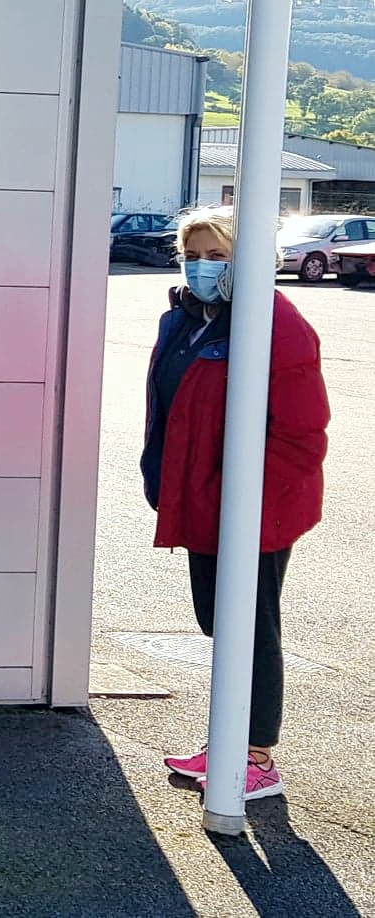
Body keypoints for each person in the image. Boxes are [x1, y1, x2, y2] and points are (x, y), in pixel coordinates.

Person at [146, 208, 329, 801]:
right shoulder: (188, 319)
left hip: (254, 509)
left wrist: (249, 503)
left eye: (217, 256)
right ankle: (228, 738)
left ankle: (256, 756)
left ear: (249, 259)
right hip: (204, 503)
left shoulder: (274, 323)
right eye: (193, 256)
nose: (202, 267)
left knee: (250, 625)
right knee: (220, 620)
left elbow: (302, 433)